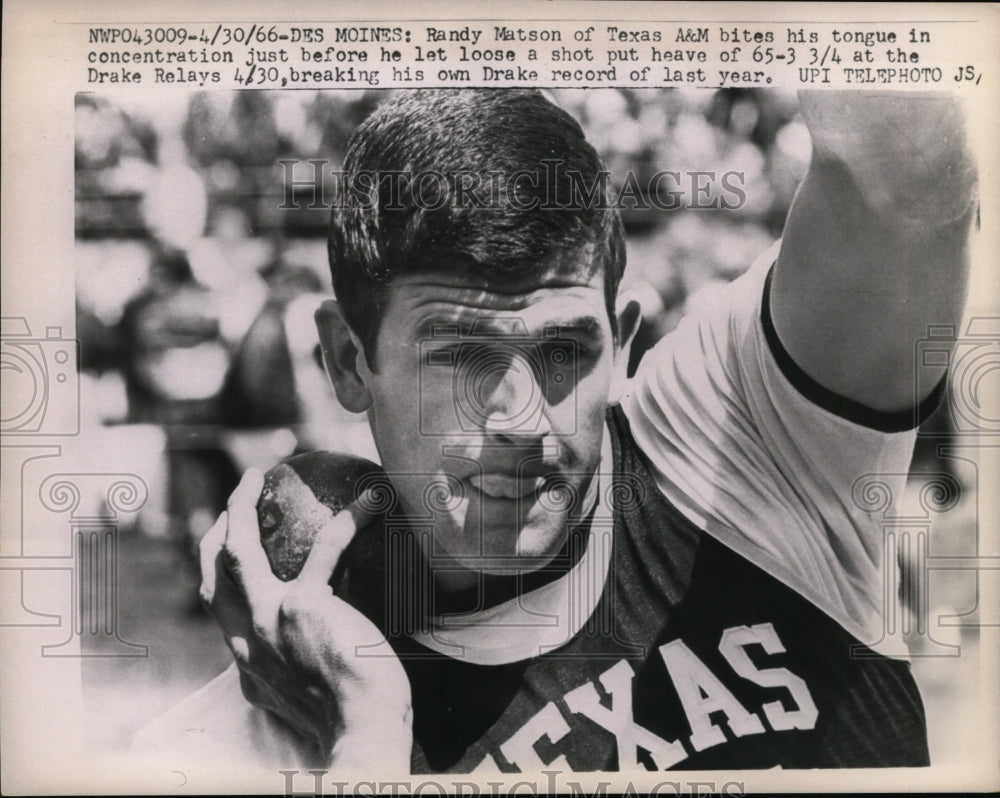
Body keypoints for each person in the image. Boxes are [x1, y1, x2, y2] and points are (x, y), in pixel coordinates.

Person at [136, 89, 977, 772]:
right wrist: (367, 741)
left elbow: (905, 173)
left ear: (626, 337)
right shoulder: (244, 740)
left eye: (565, 350)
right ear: (349, 361)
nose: (520, 419)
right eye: (461, 354)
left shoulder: (740, 446)